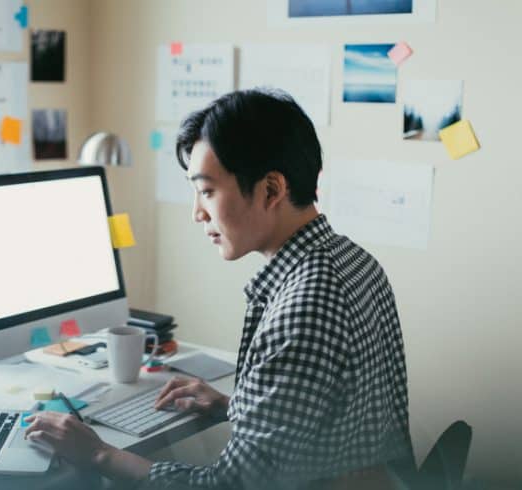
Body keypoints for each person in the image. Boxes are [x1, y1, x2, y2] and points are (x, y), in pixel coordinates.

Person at [23, 89, 414, 489]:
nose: (197, 212)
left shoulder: (303, 306)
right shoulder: (355, 261)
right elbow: (335, 422)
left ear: (271, 190)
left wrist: (98, 453)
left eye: (207, 191)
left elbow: (227, 487)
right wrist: (238, 408)